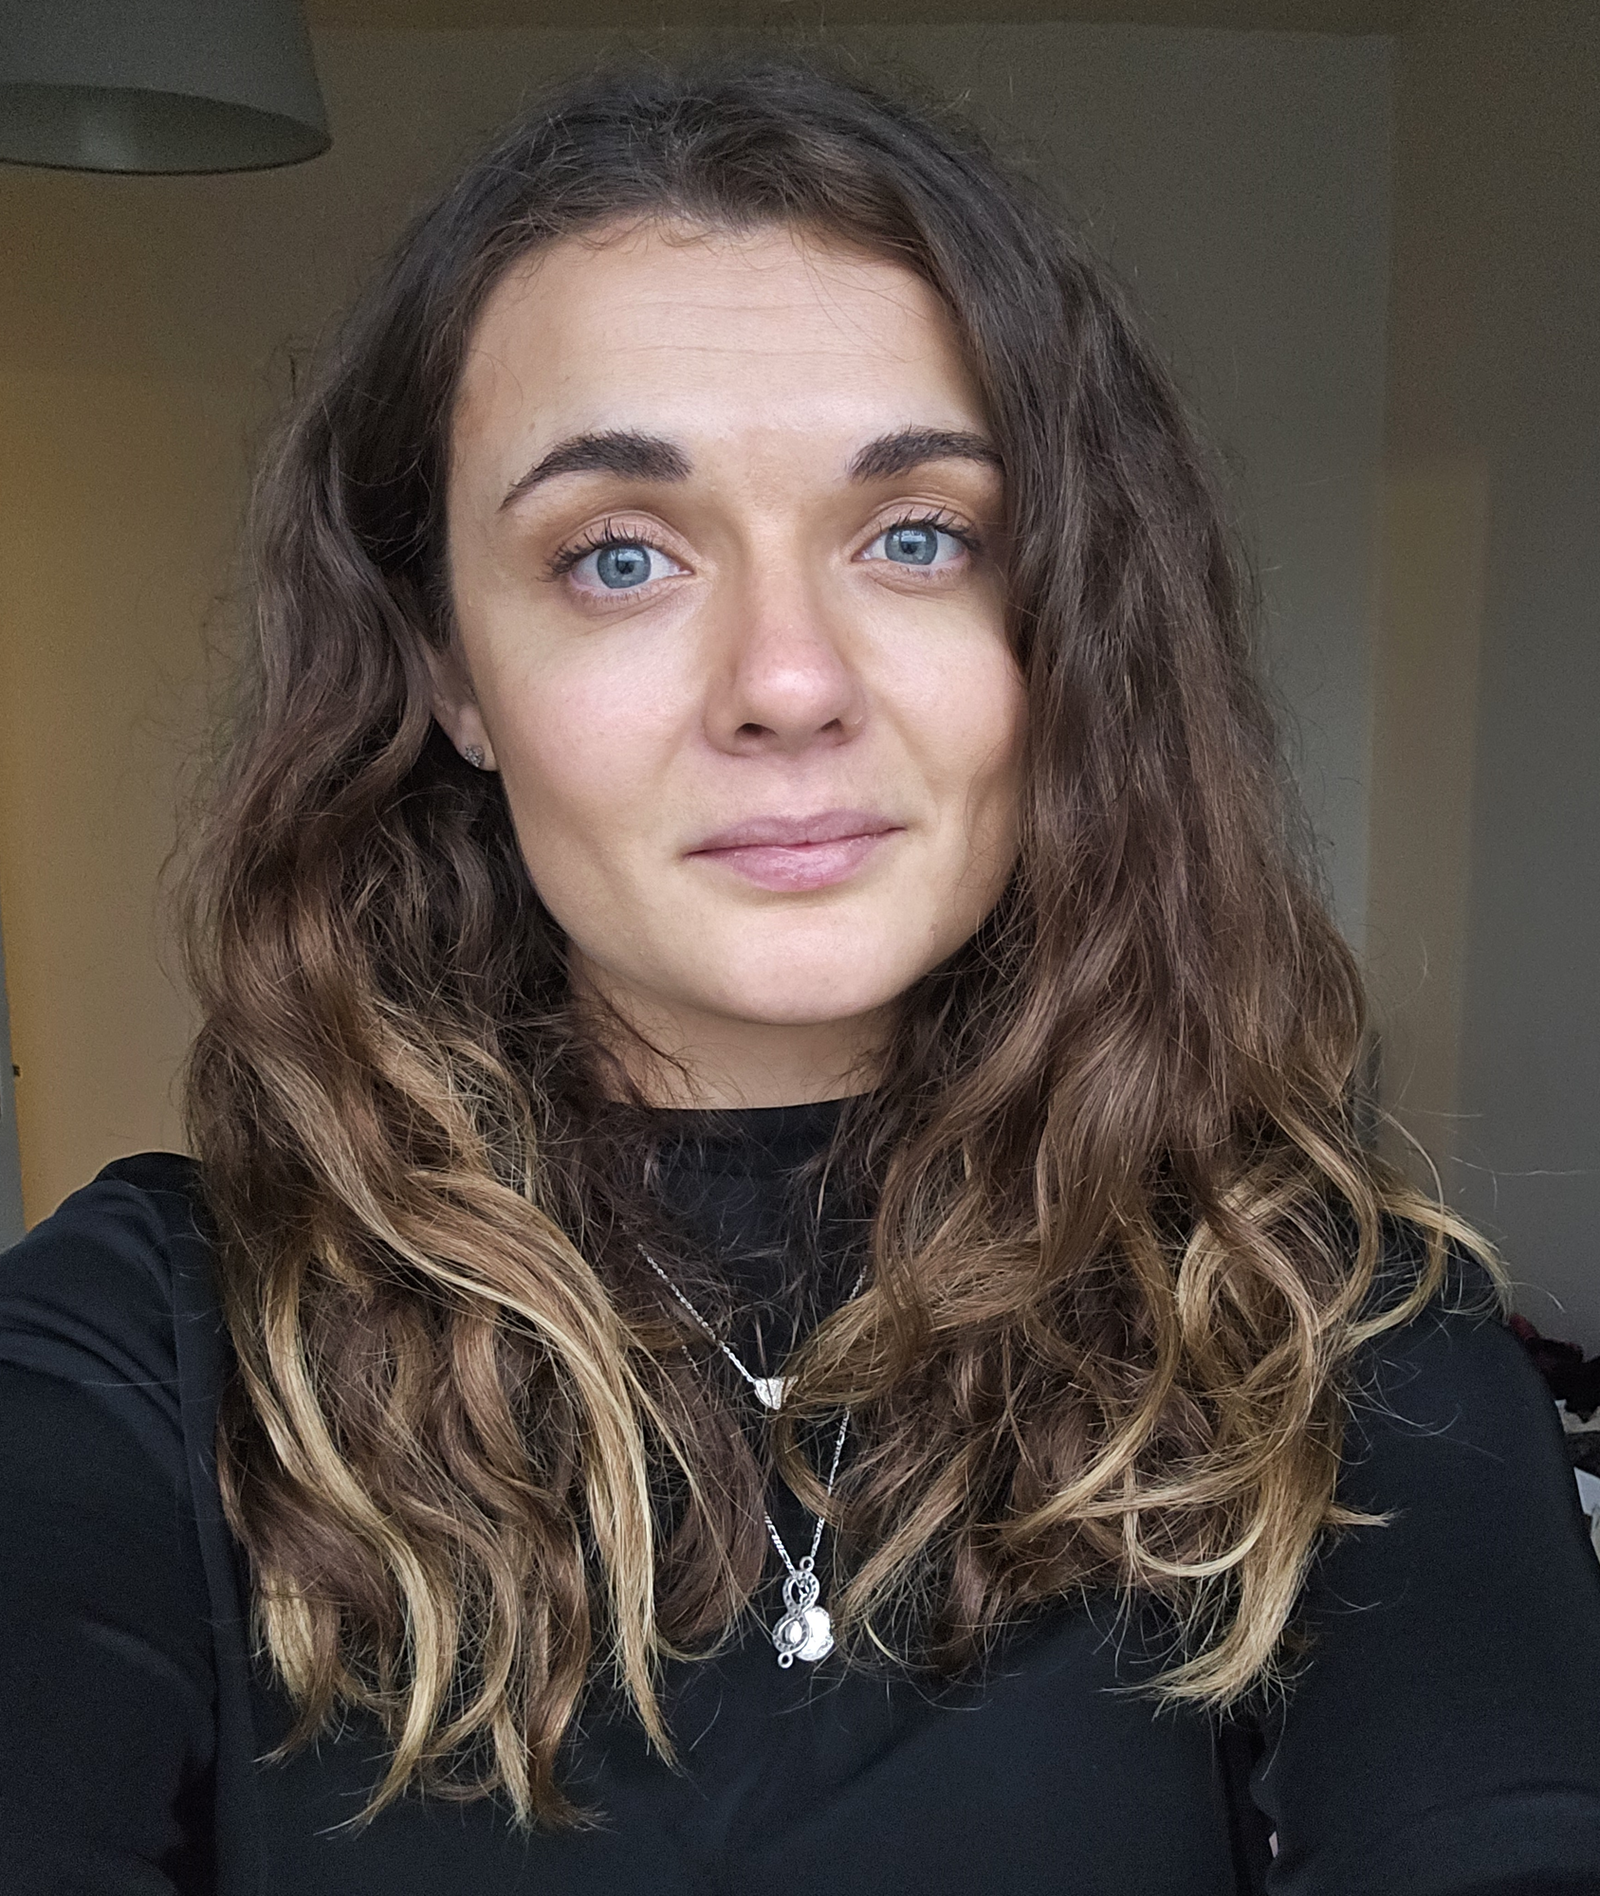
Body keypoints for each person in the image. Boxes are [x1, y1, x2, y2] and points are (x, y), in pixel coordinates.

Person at [3, 55, 1598, 1896]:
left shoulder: (1341, 1344)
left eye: (917, 537)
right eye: (619, 557)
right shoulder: (148, 1350)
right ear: (449, 672)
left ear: (1062, 627)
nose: (786, 680)